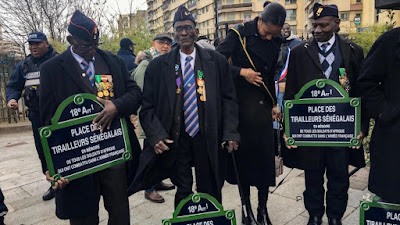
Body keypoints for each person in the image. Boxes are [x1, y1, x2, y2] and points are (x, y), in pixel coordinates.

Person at [39, 10, 142, 224]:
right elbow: (45, 121)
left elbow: (135, 94)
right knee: (83, 218)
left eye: (95, 44)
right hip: (79, 161)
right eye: (86, 46)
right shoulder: (52, 69)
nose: (92, 51)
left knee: (120, 214)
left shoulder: (112, 62)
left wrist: (116, 105)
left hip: (113, 155)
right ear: (71, 40)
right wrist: (50, 165)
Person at [138, 5, 240, 208]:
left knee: (210, 188)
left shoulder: (216, 62)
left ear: (196, 31)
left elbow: (229, 99)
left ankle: (212, 220)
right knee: (183, 190)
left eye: (187, 27)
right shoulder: (158, 67)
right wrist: (155, 134)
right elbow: (147, 107)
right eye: (178, 28)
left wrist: (231, 132)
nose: (183, 32)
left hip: (207, 136)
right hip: (177, 137)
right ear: (173, 33)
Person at [283, 3, 366, 225]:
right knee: (312, 176)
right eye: (314, 25)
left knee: (339, 177)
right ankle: (315, 215)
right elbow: (290, 91)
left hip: (341, 129)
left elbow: (361, 92)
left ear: (337, 24)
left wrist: (361, 127)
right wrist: (288, 130)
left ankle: (336, 216)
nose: (317, 30)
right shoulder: (300, 52)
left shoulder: (352, 51)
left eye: (323, 25)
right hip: (311, 130)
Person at [216, 2, 285, 225]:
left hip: (263, 109)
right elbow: (215, 63)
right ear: (260, 20)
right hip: (241, 108)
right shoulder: (238, 34)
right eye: (266, 33)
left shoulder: (275, 39)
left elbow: (270, 74)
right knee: (244, 165)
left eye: (272, 36)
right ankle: (246, 210)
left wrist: (275, 103)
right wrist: (241, 72)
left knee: (264, 165)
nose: (267, 38)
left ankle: (262, 209)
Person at [5, 31, 58, 201]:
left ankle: (70, 177)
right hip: (36, 115)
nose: (33, 47)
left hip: (58, 114)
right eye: (31, 44)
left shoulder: (58, 60)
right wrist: (12, 98)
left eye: (37, 44)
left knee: (61, 145)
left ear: (46, 44)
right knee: (43, 150)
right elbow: (14, 85)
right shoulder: (24, 65)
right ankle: (53, 183)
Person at [357, 27, 400, 204]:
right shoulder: (390, 41)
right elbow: (366, 82)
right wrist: (385, 112)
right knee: (391, 203)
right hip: (394, 138)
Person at [132, 33, 175, 203]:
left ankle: (157, 182)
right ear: (153, 44)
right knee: (149, 156)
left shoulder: (167, 62)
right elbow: (143, 99)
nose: (165, 46)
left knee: (159, 155)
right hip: (150, 121)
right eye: (161, 43)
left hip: (161, 119)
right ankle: (148, 188)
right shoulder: (146, 65)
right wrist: (148, 127)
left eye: (168, 44)